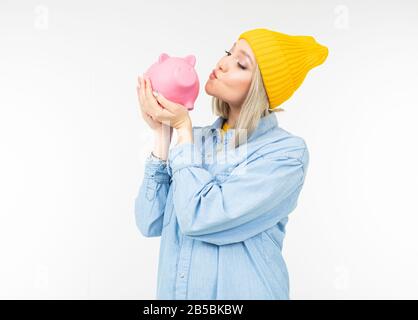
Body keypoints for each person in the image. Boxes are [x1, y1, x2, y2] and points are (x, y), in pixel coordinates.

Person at [134, 27, 328, 299]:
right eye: (228, 52)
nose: (222, 63)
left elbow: (200, 218)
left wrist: (182, 128)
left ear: (260, 88)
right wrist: (162, 135)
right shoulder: (194, 142)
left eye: (241, 63)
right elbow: (149, 222)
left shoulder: (285, 154)